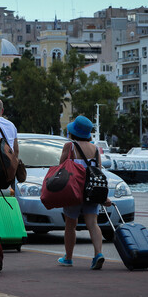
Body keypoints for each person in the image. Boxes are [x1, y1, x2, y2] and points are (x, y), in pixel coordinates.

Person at [57, 115, 112, 270]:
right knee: (93, 224)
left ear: (74, 132)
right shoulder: (95, 149)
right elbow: (98, 171)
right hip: (92, 191)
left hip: (74, 191)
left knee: (70, 225)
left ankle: (68, 258)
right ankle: (98, 254)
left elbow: (61, 166)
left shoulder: (70, 146)